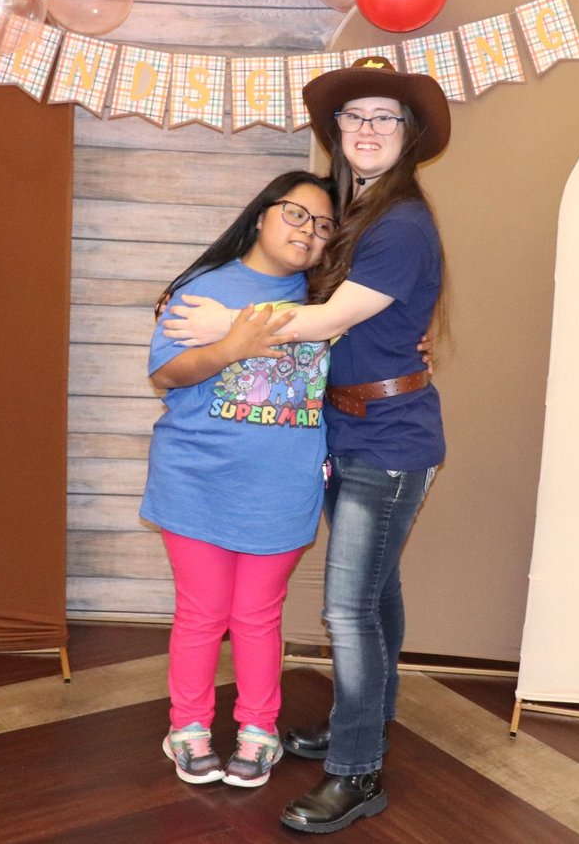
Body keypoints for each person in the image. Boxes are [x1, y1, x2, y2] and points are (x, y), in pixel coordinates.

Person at [165, 56, 450, 833]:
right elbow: (323, 304)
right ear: (336, 130)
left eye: (385, 117)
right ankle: (365, 722)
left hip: (389, 440)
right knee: (376, 597)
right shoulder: (352, 213)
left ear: (409, 135)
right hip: (344, 427)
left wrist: (224, 323)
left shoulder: (401, 222)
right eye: (354, 116)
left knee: (348, 609)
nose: (367, 128)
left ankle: (357, 771)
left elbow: (324, 321)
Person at [143, 170, 339, 789]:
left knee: (257, 614)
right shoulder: (205, 288)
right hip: (197, 479)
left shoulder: (330, 303)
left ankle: (259, 730)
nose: (308, 231)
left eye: (323, 225)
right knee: (202, 611)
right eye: (296, 214)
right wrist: (232, 345)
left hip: (282, 487)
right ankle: (188, 727)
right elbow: (166, 375)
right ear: (261, 216)